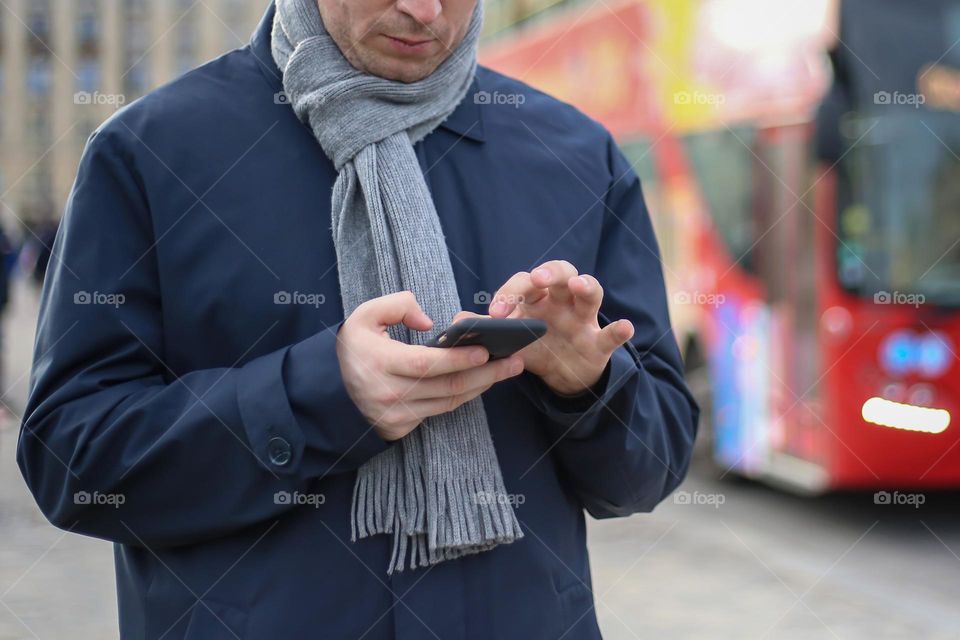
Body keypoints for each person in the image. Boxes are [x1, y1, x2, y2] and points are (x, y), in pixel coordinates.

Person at [17, 0, 699, 638]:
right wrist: (318, 397)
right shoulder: (149, 152)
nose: (426, 10)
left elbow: (650, 470)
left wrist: (587, 389)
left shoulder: (579, 158)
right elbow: (71, 463)